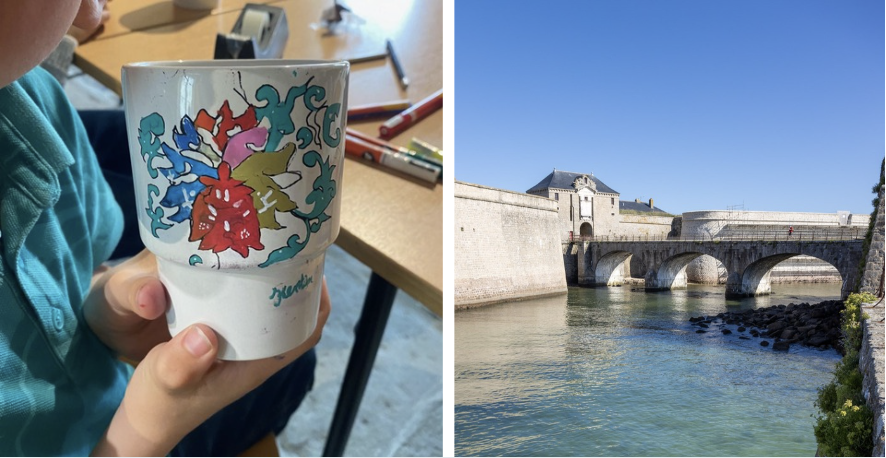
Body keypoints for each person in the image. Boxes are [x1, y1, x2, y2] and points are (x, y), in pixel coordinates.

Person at [0, 1, 329, 456]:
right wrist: (148, 432)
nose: (93, 14)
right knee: (290, 373)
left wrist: (103, 311)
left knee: (288, 362)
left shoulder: (33, 100)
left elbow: (79, 274)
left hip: (108, 377)